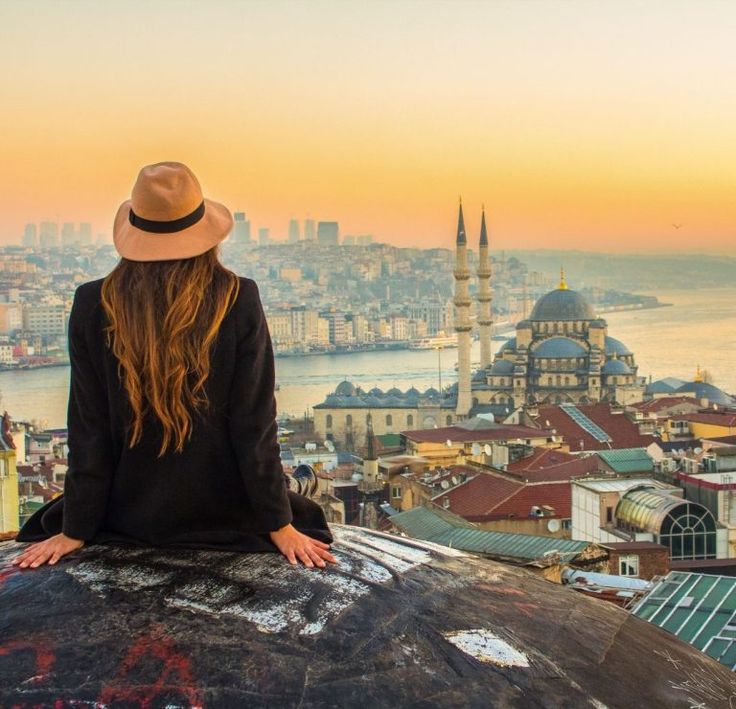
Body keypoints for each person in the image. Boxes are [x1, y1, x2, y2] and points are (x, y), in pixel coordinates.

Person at [13, 162, 336, 570]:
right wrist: (279, 523)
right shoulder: (236, 298)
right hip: (222, 512)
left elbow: (89, 428)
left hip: (127, 514)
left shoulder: (93, 302)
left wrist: (75, 530)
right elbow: (254, 425)